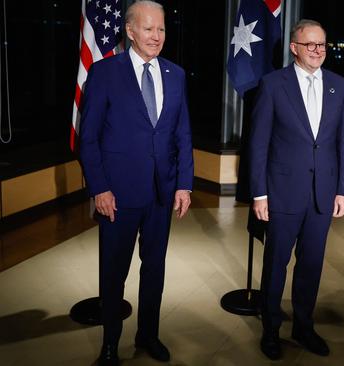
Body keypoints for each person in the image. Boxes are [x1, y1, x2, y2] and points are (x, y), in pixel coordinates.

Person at [79, 1, 193, 364]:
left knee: (154, 270)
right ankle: (111, 343)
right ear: (130, 31)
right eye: (148, 29)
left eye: (161, 29)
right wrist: (99, 187)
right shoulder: (104, 72)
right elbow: (89, 137)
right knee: (113, 274)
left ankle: (148, 335)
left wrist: (184, 184)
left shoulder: (175, 74)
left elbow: (182, 135)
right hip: (117, 194)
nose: (157, 36)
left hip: (162, 192)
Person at [248, 19, 344, 360]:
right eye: (310, 45)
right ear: (294, 47)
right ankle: (271, 329)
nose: (317, 51)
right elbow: (259, 143)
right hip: (281, 193)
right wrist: (259, 193)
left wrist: (343, 190)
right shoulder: (273, 84)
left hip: (323, 194)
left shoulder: (340, 86)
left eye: (322, 44)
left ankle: (304, 326)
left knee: (311, 265)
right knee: (276, 264)